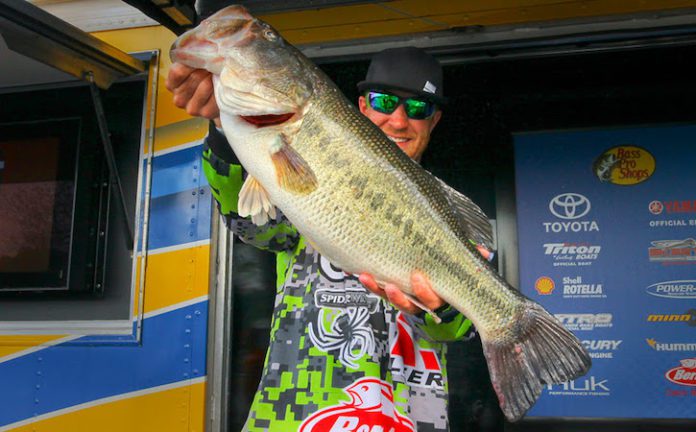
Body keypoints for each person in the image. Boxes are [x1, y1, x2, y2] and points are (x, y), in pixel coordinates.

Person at [167, 46, 487, 432]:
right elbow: (251, 224)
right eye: (385, 102)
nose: (399, 120)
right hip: (298, 416)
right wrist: (223, 132)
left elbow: (463, 330)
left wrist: (441, 311)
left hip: (406, 419)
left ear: (433, 121)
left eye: (418, 108)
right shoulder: (310, 173)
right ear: (363, 107)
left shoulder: (451, 217)